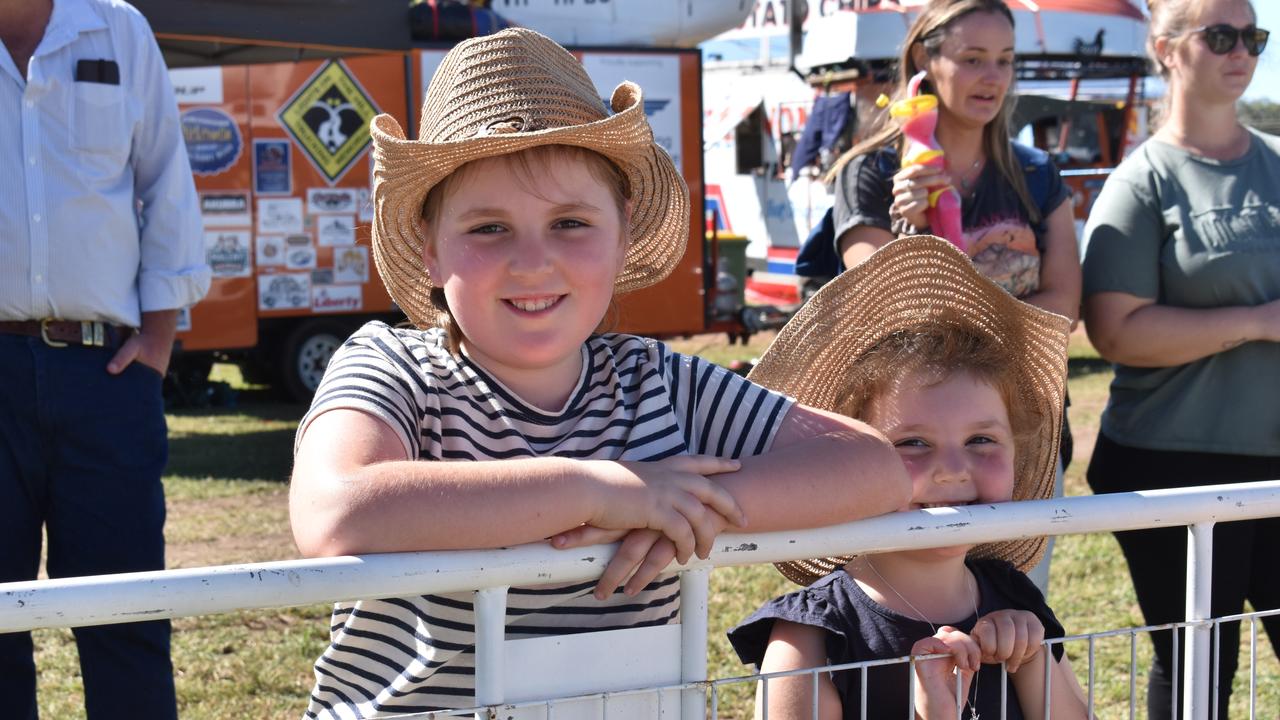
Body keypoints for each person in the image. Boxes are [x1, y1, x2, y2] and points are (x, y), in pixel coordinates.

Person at [288, 28, 911, 717]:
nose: (532, 261)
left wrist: (677, 512)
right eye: (489, 228)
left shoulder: (657, 382)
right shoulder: (390, 364)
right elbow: (334, 509)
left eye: (570, 223)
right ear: (429, 252)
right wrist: (601, 491)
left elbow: (872, 467)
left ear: (623, 231)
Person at [728, 236, 1086, 719]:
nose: (954, 469)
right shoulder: (811, 640)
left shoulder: (1017, 600)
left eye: (981, 440)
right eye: (912, 443)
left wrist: (1032, 657)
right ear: (847, 466)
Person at [826, 0, 1081, 592]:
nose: (992, 77)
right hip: (906, 434)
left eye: (1004, 60)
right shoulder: (873, 172)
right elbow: (878, 300)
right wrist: (912, 230)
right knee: (898, 612)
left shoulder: (1036, 174)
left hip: (1022, 427)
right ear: (924, 60)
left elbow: (1065, 304)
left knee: (1016, 605)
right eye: (972, 59)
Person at [0, 0, 209, 717]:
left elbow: (165, 185)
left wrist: (156, 344)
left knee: (125, 618)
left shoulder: (118, 28)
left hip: (107, 373)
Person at [1080, 0, 1279, 716]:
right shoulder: (1141, 182)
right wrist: (1258, 322)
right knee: (1198, 671)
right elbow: (1116, 333)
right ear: (1165, 49)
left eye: (1254, 36)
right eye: (1219, 35)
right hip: (1174, 468)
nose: (1242, 51)